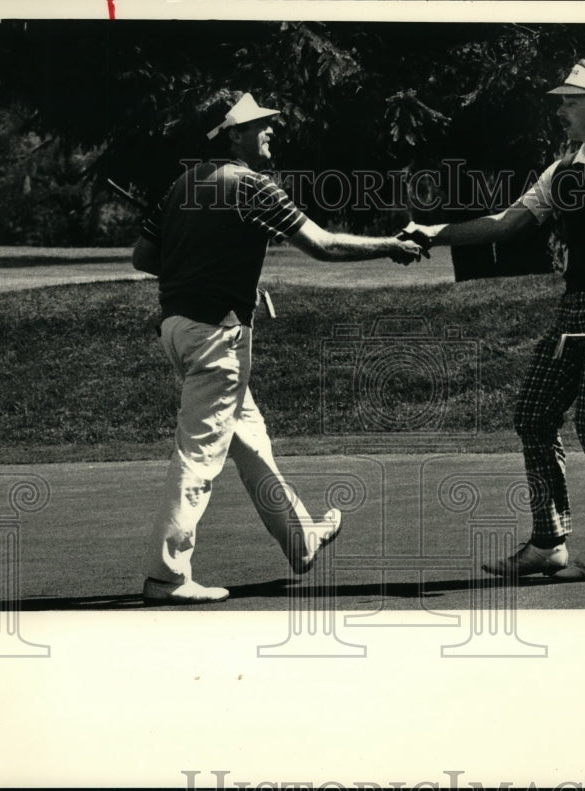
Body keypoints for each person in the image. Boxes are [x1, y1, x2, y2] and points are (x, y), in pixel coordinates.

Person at [136, 90, 425, 604]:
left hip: (178, 329)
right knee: (200, 454)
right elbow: (322, 244)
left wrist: (202, 266)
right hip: (217, 336)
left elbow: (143, 256)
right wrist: (389, 245)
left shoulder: (183, 183)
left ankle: (300, 538)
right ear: (233, 135)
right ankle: (167, 575)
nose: (271, 129)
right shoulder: (252, 185)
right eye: (258, 124)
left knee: (250, 440)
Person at [402, 60, 585, 582]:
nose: (561, 109)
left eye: (572, 100)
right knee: (533, 413)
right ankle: (549, 543)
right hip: (575, 306)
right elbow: (505, 224)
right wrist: (434, 232)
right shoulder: (562, 171)